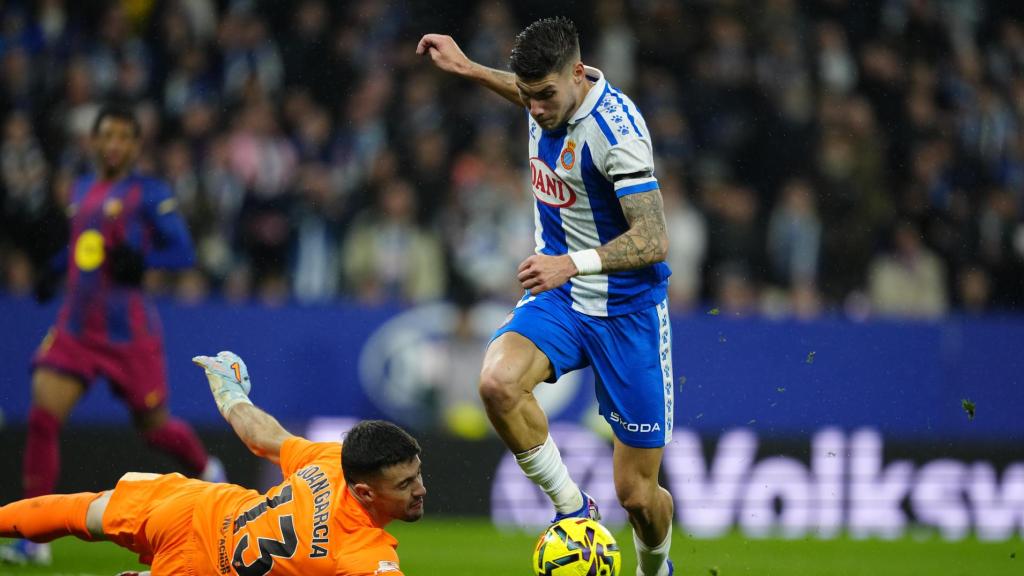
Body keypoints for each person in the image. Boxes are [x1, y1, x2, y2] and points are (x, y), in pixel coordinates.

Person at [418, 17, 676, 576]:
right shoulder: (549, 95)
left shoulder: (618, 132)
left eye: (545, 96)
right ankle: (573, 509)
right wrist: (467, 68)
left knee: (638, 496)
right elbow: (528, 88)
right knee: (496, 383)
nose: (534, 109)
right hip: (561, 301)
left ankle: (656, 569)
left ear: (578, 75)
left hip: (627, 312)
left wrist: (570, 263)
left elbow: (655, 240)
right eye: (527, 96)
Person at [1, 104, 223, 565]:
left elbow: (182, 253)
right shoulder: (82, 189)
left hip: (128, 334)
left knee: (154, 428)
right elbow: (84, 245)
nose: (115, 144)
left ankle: (207, 468)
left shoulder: (149, 193)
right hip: (76, 328)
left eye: (125, 136)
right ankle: (34, 540)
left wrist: (145, 263)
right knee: (44, 414)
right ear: (96, 142)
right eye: (108, 135)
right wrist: (54, 270)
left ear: (136, 145)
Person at [0, 350, 425, 575]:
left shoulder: (334, 460)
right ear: (365, 491)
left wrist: (231, 395)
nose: (421, 489)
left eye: (417, 474)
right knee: (77, 514)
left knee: (78, 510)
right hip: (200, 566)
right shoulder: (365, 555)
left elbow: (265, 437)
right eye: (405, 483)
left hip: (194, 507)